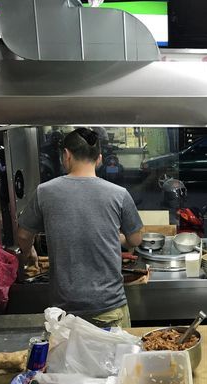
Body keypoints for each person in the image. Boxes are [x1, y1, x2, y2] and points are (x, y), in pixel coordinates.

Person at [17, 128, 143, 328]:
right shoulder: (119, 194)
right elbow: (135, 240)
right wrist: (115, 237)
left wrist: (29, 251)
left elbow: (23, 235)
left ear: (66, 155)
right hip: (109, 307)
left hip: (65, 312)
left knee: (67, 351)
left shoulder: (45, 192)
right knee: (116, 350)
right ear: (99, 159)